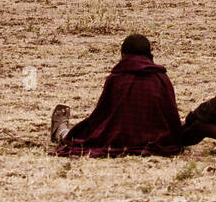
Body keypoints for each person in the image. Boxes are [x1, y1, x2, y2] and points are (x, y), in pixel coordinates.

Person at [50, 33, 183, 157]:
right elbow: (171, 116)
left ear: (123, 54)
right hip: (157, 142)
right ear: (150, 55)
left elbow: (100, 116)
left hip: (117, 140)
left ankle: (62, 132)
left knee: (79, 138)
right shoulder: (161, 78)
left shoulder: (117, 78)